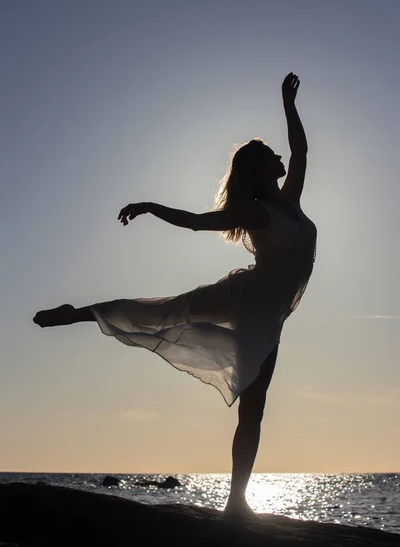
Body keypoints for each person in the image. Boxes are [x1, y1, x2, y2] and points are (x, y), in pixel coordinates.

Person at [34, 72, 317, 518]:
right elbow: (194, 222)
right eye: (267, 153)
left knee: (255, 409)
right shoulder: (256, 211)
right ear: (258, 169)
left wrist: (289, 103)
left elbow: (301, 149)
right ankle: (79, 314)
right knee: (166, 313)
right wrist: (149, 206)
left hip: (270, 316)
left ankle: (236, 499)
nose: (278, 154)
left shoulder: (291, 200)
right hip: (247, 299)